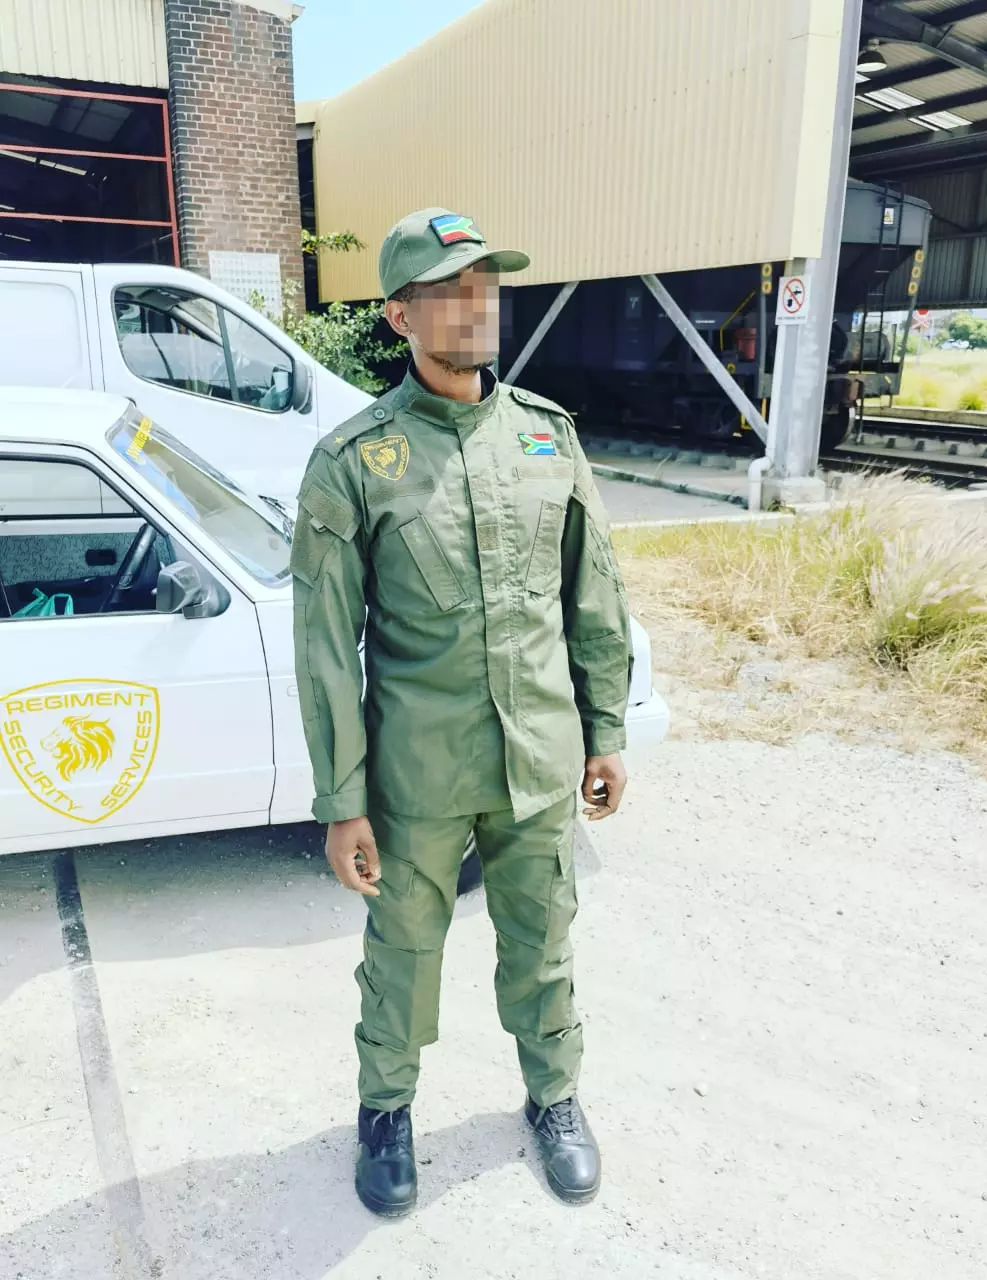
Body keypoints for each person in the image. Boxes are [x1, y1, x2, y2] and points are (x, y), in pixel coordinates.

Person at [291, 207, 632, 1217]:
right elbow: (325, 647)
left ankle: (554, 1096)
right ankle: (386, 1110)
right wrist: (342, 801)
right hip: (419, 776)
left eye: (486, 284)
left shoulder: (546, 437)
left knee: (545, 942)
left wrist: (606, 731)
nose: (477, 304)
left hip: (538, 761)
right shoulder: (354, 461)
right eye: (450, 290)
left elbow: (593, 595)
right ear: (400, 316)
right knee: (402, 954)